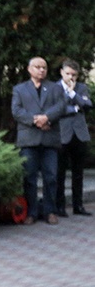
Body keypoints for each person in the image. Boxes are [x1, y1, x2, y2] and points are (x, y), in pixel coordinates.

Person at [11, 57, 65, 225]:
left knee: (51, 177)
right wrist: (36, 120)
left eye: (44, 68)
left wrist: (46, 118)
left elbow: (61, 106)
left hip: (49, 140)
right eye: (38, 67)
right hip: (29, 140)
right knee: (29, 178)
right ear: (29, 69)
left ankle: (50, 211)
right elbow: (17, 111)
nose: (41, 70)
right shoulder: (20, 89)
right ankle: (31, 212)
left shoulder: (55, 88)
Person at [55, 59, 92, 217]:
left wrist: (72, 93)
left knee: (78, 172)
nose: (71, 77)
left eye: (74, 75)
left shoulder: (82, 88)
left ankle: (78, 205)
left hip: (79, 134)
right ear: (62, 72)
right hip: (61, 134)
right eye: (68, 73)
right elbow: (57, 109)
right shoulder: (53, 88)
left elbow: (88, 105)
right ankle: (60, 206)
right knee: (60, 173)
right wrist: (75, 108)